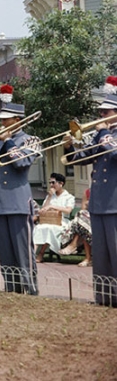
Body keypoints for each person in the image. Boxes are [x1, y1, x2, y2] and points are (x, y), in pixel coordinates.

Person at [0, 90, 41, 295]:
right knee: (5, 251)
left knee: (23, 250)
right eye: (2, 121)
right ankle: (11, 288)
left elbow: (22, 163)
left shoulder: (30, 140)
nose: (2, 124)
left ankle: (30, 289)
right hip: (1, 202)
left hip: (19, 201)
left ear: (17, 120)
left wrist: (9, 142)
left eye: (6, 121)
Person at [63, 80, 117, 306]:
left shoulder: (106, 134)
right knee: (102, 256)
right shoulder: (99, 136)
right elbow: (81, 159)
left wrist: (104, 133)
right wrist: (70, 146)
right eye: (100, 112)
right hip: (98, 202)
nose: (100, 115)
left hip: (115, 202)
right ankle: (104, 296)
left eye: (105, 111)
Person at [34, 173, 76, 262]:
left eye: (53, 183)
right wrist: (49, 197)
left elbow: (68, 210)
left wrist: (52, 207)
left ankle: (41, 254)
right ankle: (32, 253)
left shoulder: (69, 197)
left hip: (62, 222)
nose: (51, 185)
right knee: (39, 227)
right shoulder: (50, 195)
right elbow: (43, 210)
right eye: (50, 183)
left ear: (61, 183)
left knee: (50, 228)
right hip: (48, 220)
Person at [60, 188, 92, 266]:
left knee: (83, 225)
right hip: (89, 221)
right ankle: (87, 258)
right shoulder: (88, 192)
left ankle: (73, 245)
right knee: (82, 221)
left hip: (102, 220)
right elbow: (83, 210)